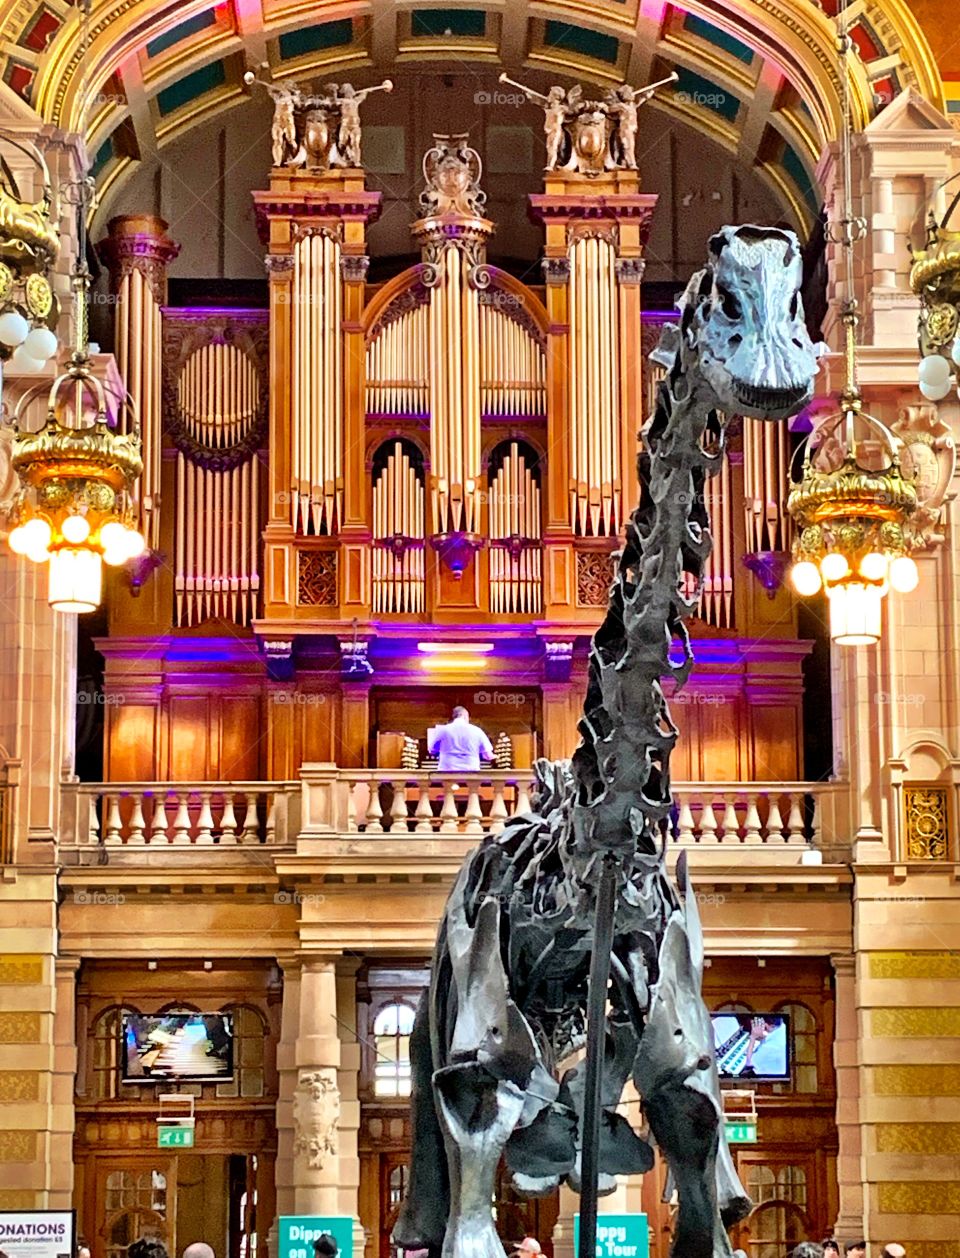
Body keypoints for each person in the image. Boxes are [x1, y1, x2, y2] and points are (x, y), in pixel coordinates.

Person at [428, 706, 494, 772]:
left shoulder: (443, 730)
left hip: (447, 771)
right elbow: (488, 756)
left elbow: (431, 750)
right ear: (465, 716)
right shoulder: (477, 730)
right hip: (471, 771)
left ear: (454, 717)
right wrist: (497, 757)